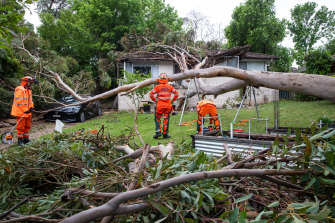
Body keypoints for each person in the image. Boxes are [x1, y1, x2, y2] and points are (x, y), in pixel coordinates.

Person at [150, 73, 179, 139]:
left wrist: (155, 100)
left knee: (157, 118)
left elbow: (151, 94)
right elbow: (176, 94)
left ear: (159, 79)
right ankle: (165, 134)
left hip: (160, 105)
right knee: (166, 119)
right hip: (168, 106)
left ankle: (158, 132)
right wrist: (172, 100)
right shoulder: (170, 87)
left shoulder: (157, 87)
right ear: (167, 79)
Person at [11, 76, 38, 146]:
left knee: (27, 126)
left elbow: (30, 101)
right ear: (26, 82)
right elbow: (19, 102)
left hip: (28, 112)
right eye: (30, 82)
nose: (30, 84)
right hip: (21, 112)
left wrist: (31, 107)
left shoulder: (28, 90)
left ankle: (26, 138)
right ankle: (20, 140)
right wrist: (26, 110)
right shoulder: (19, 89)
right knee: (20, 127)